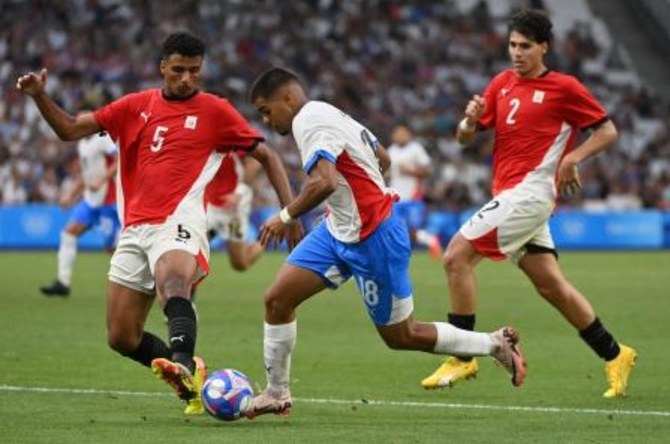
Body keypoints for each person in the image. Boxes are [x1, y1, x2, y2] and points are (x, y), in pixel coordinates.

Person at [16, 32, 301, 415]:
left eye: (195, 71)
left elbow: (268, 156)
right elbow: (68, 129)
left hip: (179, 219)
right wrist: (38, 95)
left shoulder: (215, 111)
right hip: (134, 228)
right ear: (162, 67)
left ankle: (182, 360)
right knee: (120, 335)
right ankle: (191, 378)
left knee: (172, 281)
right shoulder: (133, 106)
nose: (186, 79)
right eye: (179, 70)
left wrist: (290, 212)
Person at [243, 67, 527, 419]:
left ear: (287, 98)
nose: (266, 120)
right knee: (277, 300)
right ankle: (276, 392)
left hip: (374, 237)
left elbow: (324, 182)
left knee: (401, 335)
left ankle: (495, 343)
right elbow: (384, 158)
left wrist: (284, 217)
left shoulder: (309, 121)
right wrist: (344, 209)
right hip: (337, 231)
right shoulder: (328, 112)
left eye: (266, 111)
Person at [420, 9, 637, 398]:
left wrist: (572, 158)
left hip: (531, 193)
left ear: (544, 48)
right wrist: (469, 122)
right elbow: (463, 139)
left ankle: (462, 355)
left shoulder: (565, 88)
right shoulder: (501, 83)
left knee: (456, 257)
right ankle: (616, 353)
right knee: (552, 287)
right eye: (512, 45)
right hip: (510, 195)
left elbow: (607, 131)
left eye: (525, 46)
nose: (516, 53)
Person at [40, 132, 119, 297]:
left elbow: (120, 161)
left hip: (109, 201)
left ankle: (145, 284)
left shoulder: (103, 140)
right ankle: (63, 282)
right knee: (68, 233)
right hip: (90, 201)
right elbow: (86, 174)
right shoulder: (83, 144)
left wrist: (102, 180)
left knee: (112, 248)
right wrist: (70, 194)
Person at [387, 124, 442, 259]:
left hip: (413, 196)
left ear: (408, 135)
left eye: (403, 133)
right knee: (394, 227)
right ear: (393, 136)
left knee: (413, 229)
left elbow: (428, 170)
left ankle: (431, 240)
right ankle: (397, 254)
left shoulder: (415, 149)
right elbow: (387, 172)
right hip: (395, 197)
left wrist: (410, 171)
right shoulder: (390, 151)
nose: (400, 136)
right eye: (398, 133)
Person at [205, 150, 264, 271]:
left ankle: (265, 239)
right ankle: (188, 288)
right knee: (193, 250)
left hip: (234, 210)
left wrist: (239, 192)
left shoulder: (234, 135)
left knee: (240, 263)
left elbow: (254, 163)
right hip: (209, 206)